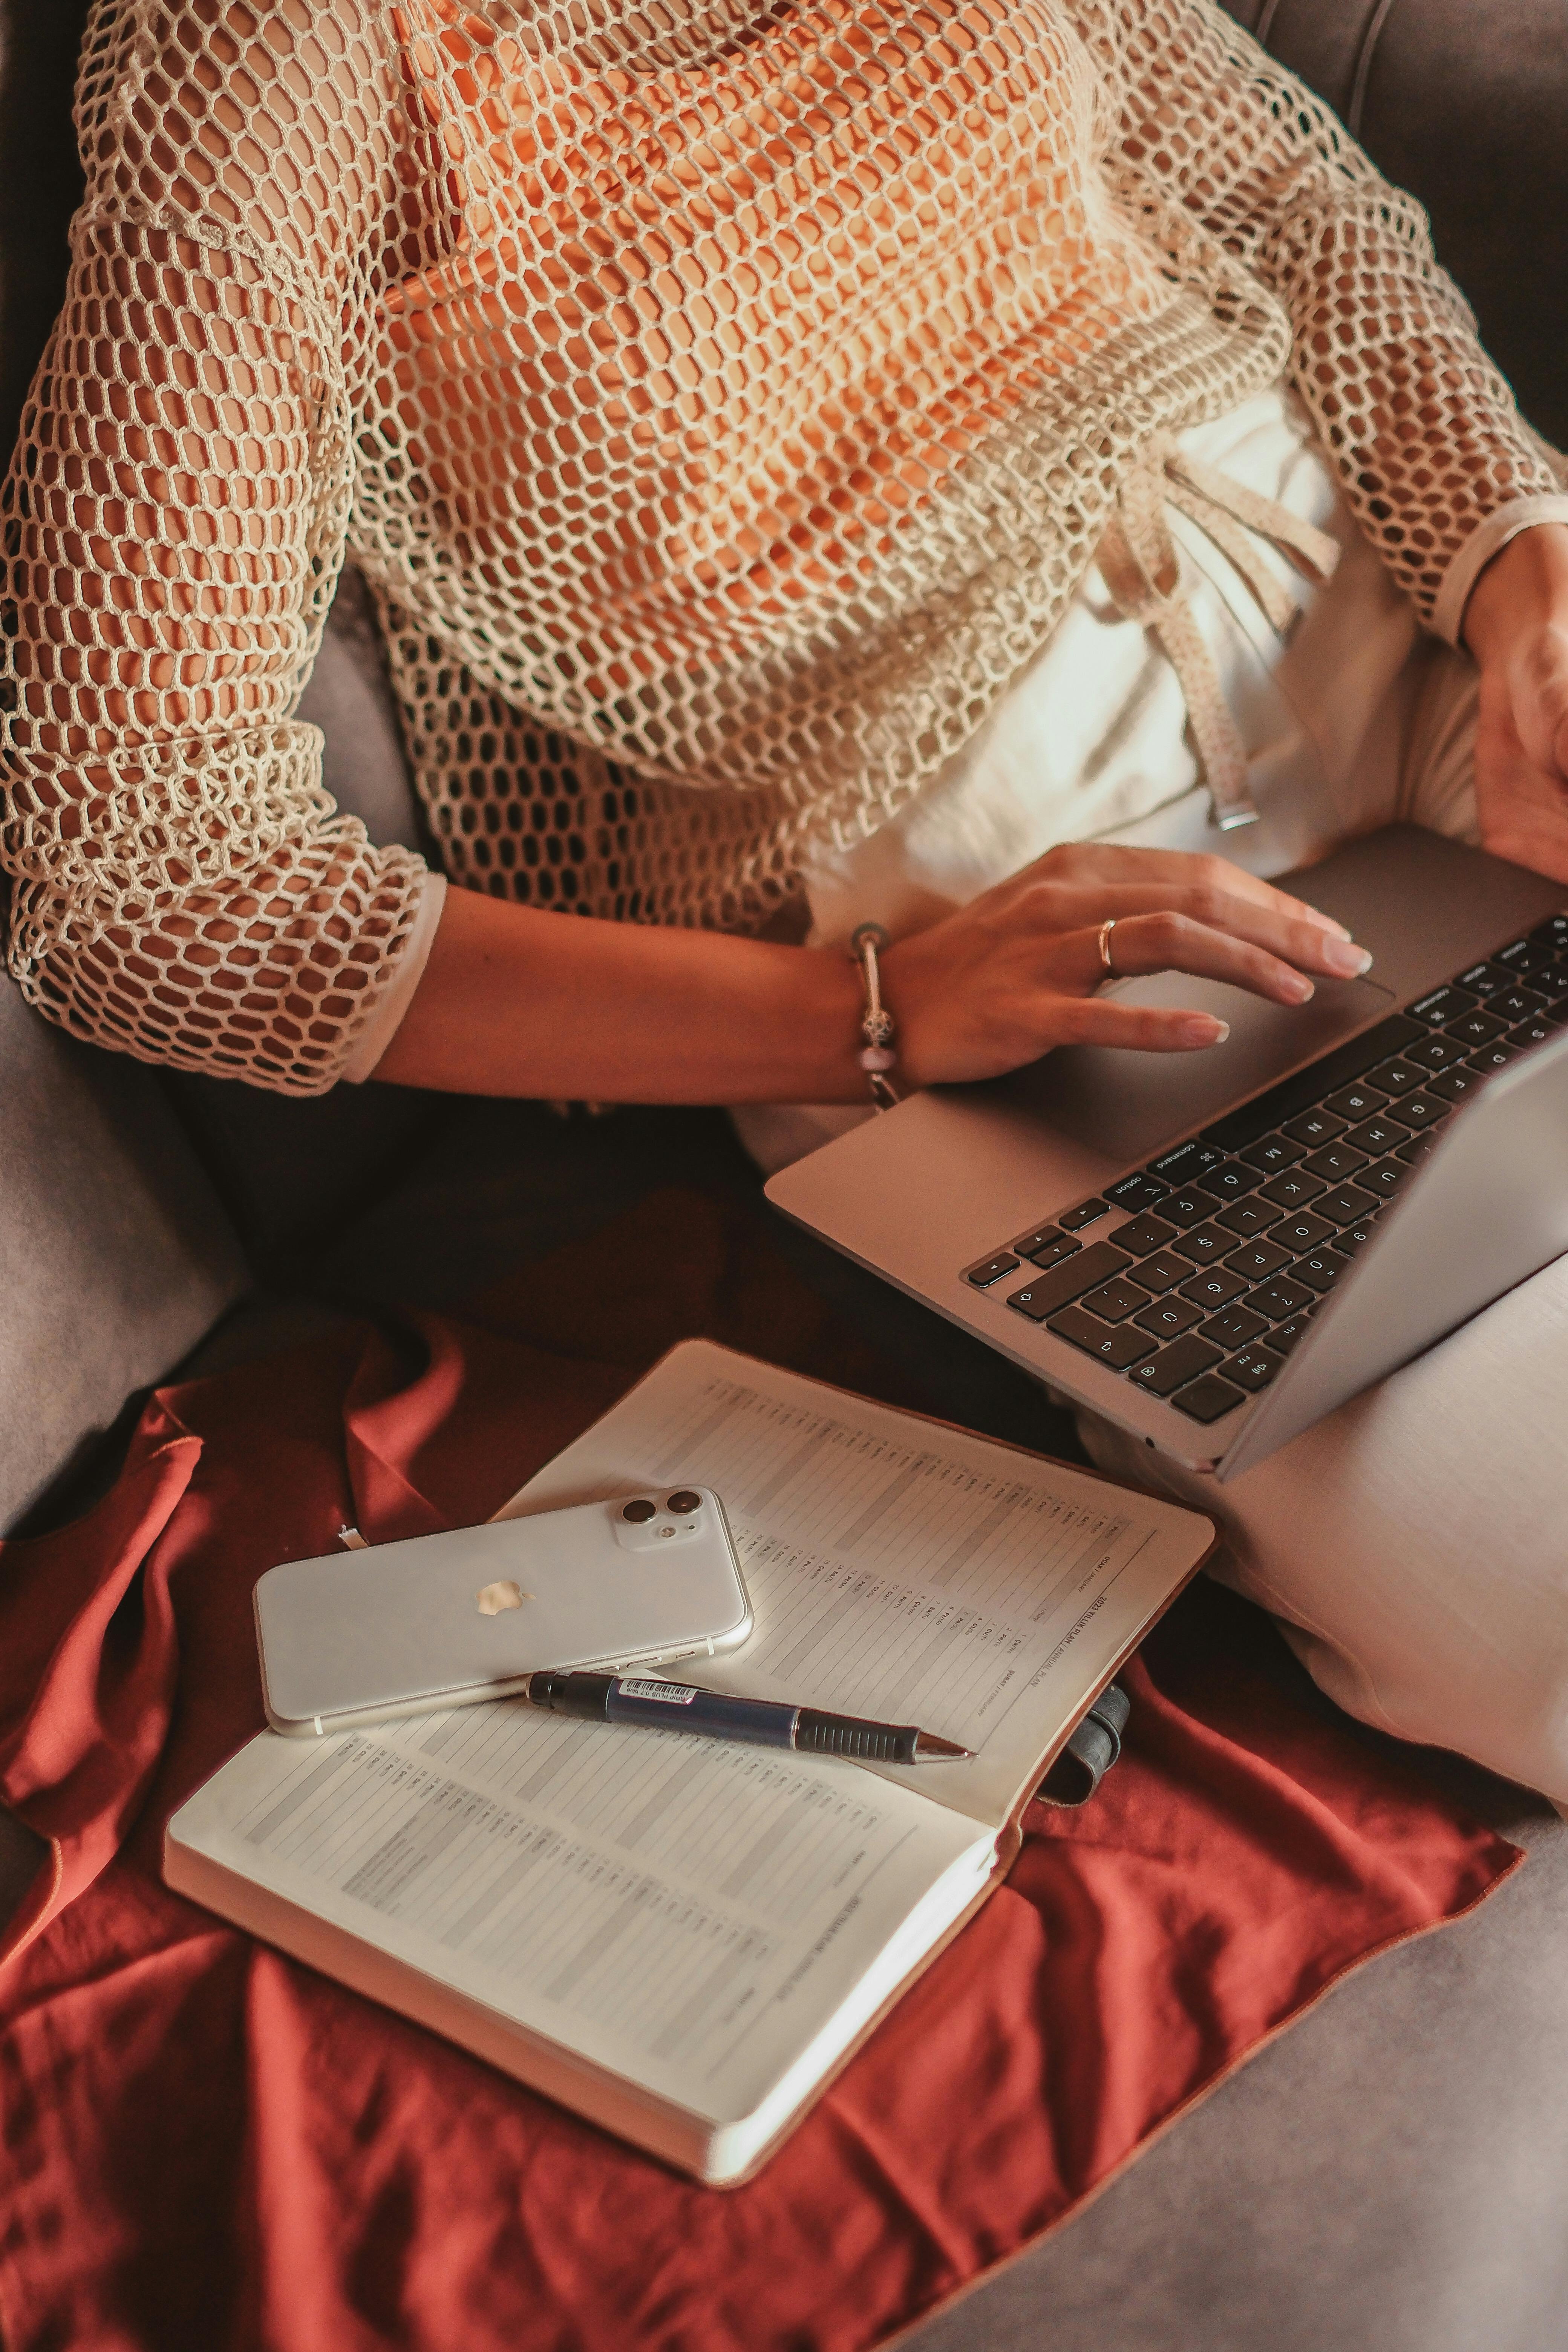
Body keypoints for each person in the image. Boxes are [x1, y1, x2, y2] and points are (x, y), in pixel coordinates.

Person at [4, 0, 1568, 1792]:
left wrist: (1519, 561)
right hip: (1040, 980)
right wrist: (868, 1017)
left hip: (1437, 660)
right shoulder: (284, 51)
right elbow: (141, 869)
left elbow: (1286, 204)